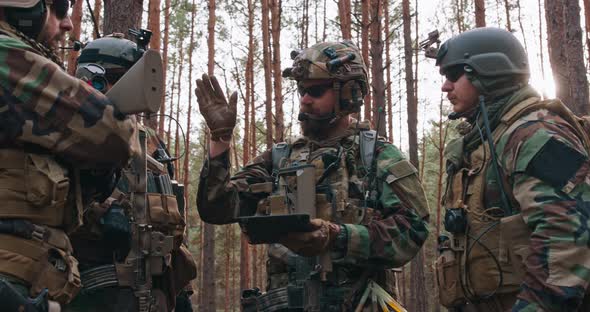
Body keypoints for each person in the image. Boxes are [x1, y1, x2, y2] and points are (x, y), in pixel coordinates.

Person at [196, 40, 430, 311]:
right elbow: (218, 208)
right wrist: (220, 140)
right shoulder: (281, 157)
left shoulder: (376, 154)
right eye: (302, 90)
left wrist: (339, 237)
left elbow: (414, 228)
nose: (305, 99)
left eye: (316, 91)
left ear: (349, 94)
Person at [433, 27, 590, 311]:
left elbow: (566, 239)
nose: (445, 86)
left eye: (454, 75)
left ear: (489, 71)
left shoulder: (535, 134)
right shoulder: (487, 139)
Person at [0, 0, 137, 311]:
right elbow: (113, 134)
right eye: (59, 8)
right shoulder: (5, 55)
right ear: (23, 7)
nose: (68, 24)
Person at [63, 34, 197, 312]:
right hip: (90, 295)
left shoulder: (153, 145)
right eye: (123, 78)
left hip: (152, 295)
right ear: (93, 79)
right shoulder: (66, 132)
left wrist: (180, 292)